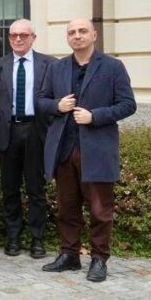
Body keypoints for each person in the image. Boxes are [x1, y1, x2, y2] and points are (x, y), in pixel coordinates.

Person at [38, 18, 136, 282]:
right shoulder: (56, 67)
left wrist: (95, 116)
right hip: (64, 149)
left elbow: (128, 105)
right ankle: (69, 254)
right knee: (66, 207)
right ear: (67, 38)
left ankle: (99, 259)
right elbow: (41, 101)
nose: (77, 36)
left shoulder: (113, 67)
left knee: (100, 209)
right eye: (72, 32)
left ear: (94, 35)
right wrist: (57, 106)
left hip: (97, 149)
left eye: (82, 31)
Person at [0, 19, 54, 258]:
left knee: (36, 189)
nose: (18, 39)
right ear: (8, 38)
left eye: (23, 35)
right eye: (13, 35)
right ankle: (13, 237)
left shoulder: (49, 64)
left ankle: (37, 239)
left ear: (33, 38)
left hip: (37, 131)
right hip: (9, 131)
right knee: (10, 188)